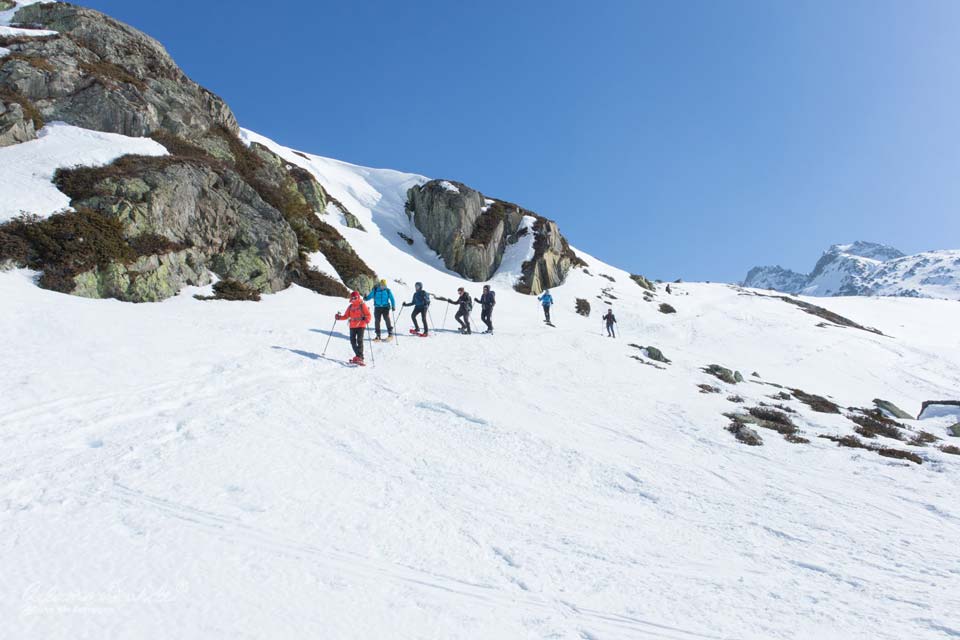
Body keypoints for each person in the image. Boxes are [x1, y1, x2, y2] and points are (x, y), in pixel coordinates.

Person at [335, 291, 372, 365]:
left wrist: (367, 319)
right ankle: (358, 356)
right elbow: (346, 316)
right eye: (353, 298)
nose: (354, 299)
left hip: (361, 325)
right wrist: (339, 317)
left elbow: (368, 314)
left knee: (359, 340)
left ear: (358, 297)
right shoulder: (350, 307)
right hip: (352, 326)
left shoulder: (362, 305)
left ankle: (360, 357)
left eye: (355, 298)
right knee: (352, 341)